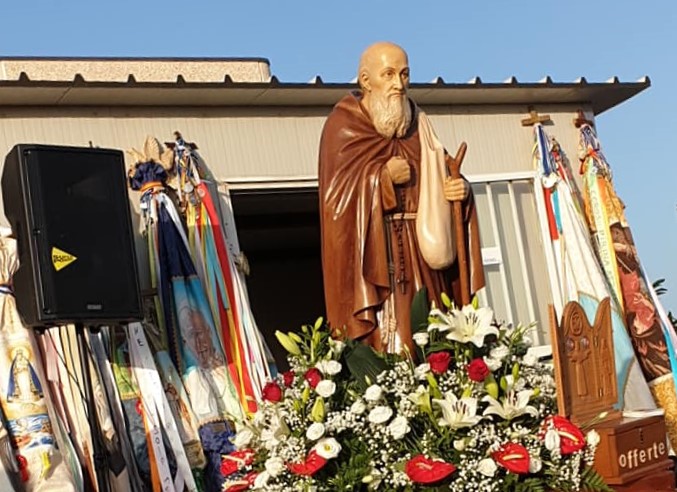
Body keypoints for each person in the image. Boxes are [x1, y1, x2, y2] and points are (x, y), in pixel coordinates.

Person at [318, 41, 485, 353]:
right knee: (391, 344)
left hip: (424, 257)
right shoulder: (342, 127)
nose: (399, 84)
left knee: (436, 338)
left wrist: (460, 190)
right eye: (389, 74)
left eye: (405, 75)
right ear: (366, 81)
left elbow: (447, 173)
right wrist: (381, 180)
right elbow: (335, 205)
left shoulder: (418, 125)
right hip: (377, 259)